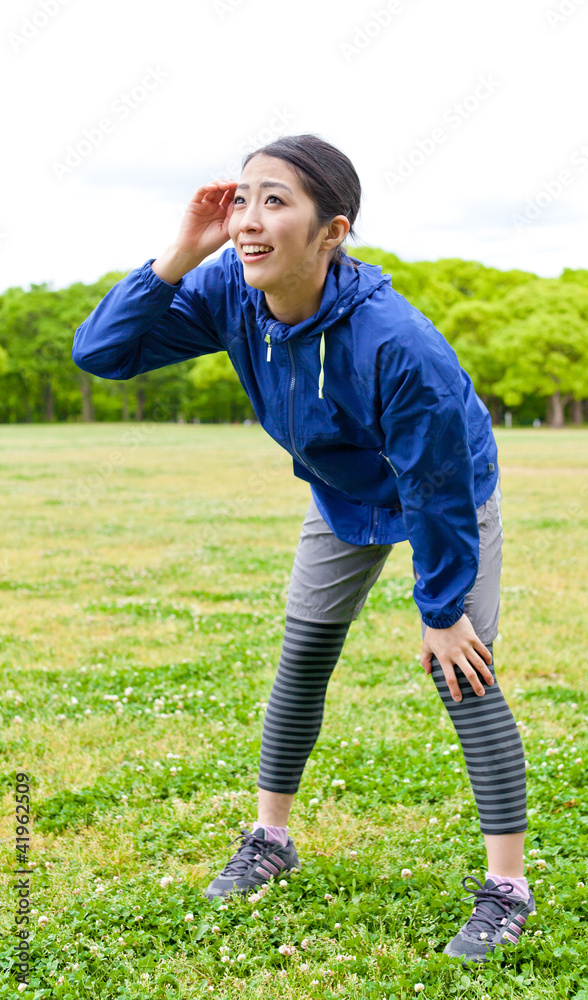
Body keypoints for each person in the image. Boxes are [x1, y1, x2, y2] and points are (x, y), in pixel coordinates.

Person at [72, 133, 535, 963]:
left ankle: (507, 891)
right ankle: (270, 839)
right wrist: (177, 256)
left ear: (332, 232)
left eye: (275, 200)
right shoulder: (229, 293)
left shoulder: (399, 345)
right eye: (241, 197)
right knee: (303, 655)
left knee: (462, 668)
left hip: (442, 486)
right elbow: (104, 352)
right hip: (341, 488)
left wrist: (440, 612)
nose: (249, 219)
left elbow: (436, 488)